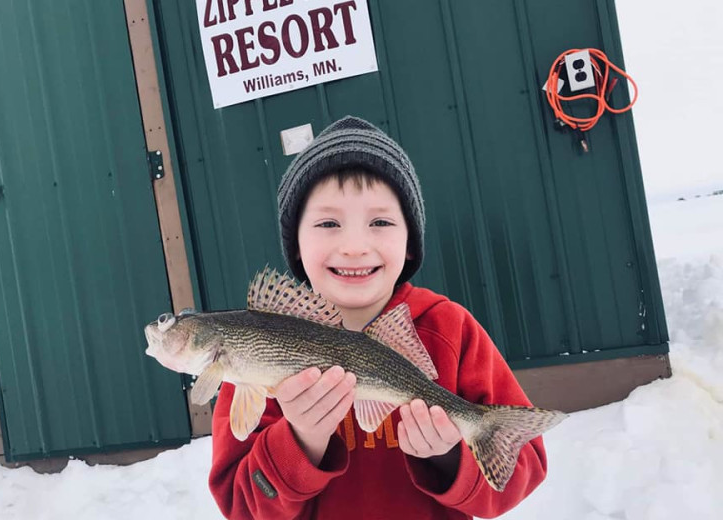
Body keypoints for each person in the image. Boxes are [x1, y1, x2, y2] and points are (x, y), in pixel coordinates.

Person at [208, 116, 548, 519]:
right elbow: (240, 505)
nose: (354, 246)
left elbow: (520, 469)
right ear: (296, 244)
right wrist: (299, 442)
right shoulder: (251, 349)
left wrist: (449, 457)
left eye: (381, 222)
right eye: (328, 223)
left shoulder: (450, 330)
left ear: (409, 242)